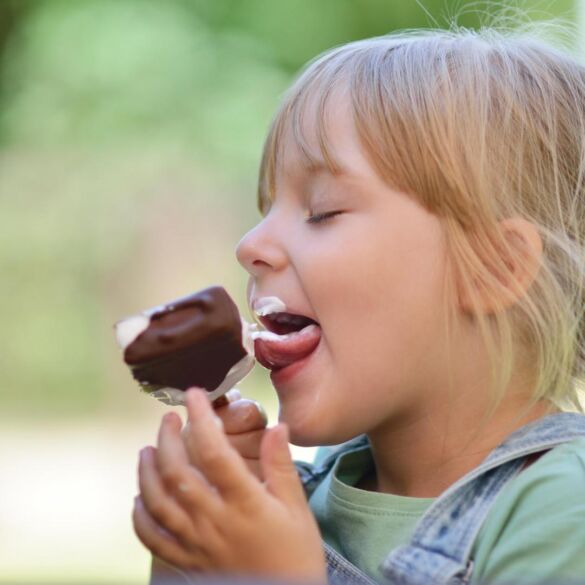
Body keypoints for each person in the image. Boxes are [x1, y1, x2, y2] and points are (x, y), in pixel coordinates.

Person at [132, 24, 585, 585]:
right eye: (266, 207)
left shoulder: (563, 514)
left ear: (494, 267)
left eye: (321, 211)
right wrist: (193, 560)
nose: (249, 246)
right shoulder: (293, 499)